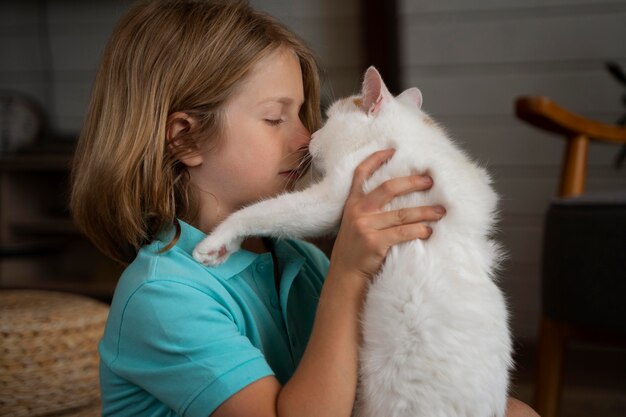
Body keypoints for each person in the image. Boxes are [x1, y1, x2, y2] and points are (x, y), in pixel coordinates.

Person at [70, 1, 540, 416]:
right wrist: (348, 276)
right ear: (186, 137)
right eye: (276, 118)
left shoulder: (297, 262)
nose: (303, 139)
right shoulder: (163, 298)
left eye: (303, 114)